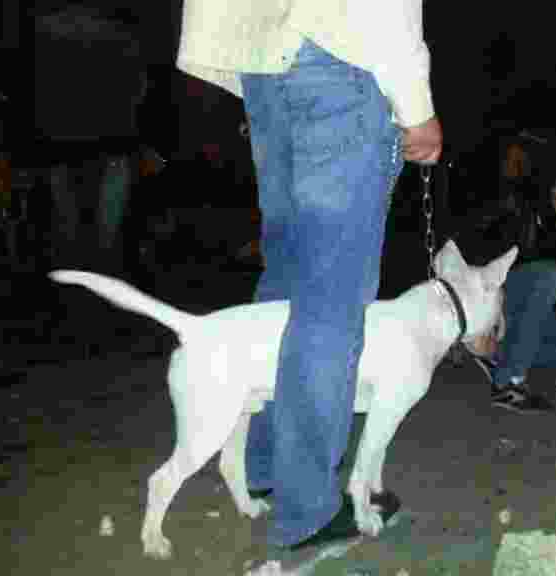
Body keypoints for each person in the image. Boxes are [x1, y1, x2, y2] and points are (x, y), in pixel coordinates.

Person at [175, 0, 443, 561]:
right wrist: (415, 103)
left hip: (264, 62)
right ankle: (308, 505)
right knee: (332, 300)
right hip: (337, 57)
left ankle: (268, 465)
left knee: (289, 279)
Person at [455, 145, 556, 414]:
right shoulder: (518, 204)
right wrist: (485, 321)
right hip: (497, 301)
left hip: (528, 320)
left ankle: (503, 356)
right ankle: (509, 381)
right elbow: (473, 256)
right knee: (549, 275)